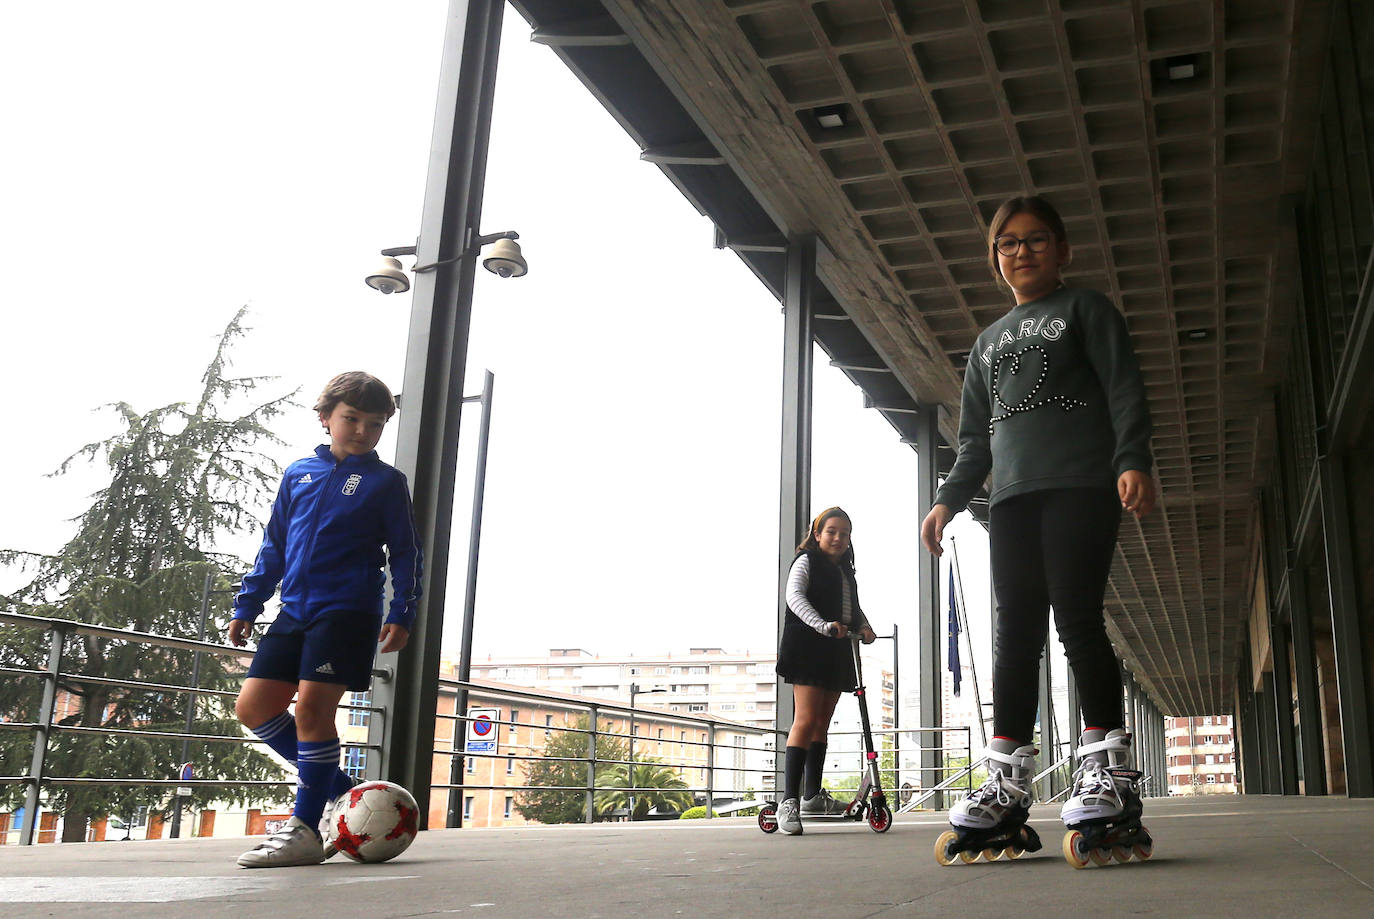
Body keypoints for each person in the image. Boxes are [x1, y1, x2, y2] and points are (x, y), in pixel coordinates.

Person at [919, 195, 1156, 857]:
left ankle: (1107, 768)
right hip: (1012, 500)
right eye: (1008, 243)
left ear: (1062, 249)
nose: (1021, 251)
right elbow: (974, 442)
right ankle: (1006, 782)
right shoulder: (988, 343)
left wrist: (1131, 457)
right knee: (1014, 632)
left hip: (1082, 485)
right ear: (996, 259)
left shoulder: (1086, 310)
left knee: (1077, 616)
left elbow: (1124, 387)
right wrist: (947, 500)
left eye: (1035, 239)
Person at [228, 371, 422, 868]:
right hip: (293, 611)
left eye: (374, 424)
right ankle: (346, 795)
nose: (361, 430)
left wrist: (401, 611)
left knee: (314, 712)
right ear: (326, 418)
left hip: (348, 611)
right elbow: (275, 545)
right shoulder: (298, 474)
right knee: (253, 708)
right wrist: (248, 604)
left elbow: (405, 553)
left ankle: (304, 829)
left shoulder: (385, 482)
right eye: (351, 418)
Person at [774, 507, 877, 835]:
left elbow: (851, 608)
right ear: (817, 534)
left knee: (822, 722)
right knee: (805, 719)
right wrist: (821, 625)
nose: (838, 538)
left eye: (844, 533)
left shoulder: (845, 571)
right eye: (831, 531)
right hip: (808, 646)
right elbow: (794, 598)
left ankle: (812, 796)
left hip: (836, 647)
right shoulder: (806, 561)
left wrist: (864, 625)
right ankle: (788, 801)